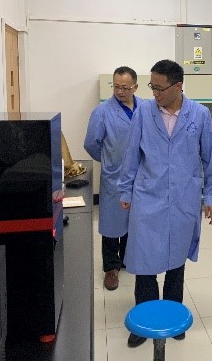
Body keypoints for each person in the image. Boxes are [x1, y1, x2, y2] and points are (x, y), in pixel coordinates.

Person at [118, 59, 212, 348]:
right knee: (144, 262)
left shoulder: (199, 114)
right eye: (151, 87)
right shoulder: (144, 113)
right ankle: (144, 322)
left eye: (159, 88)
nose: (154, 93)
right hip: (147, 196)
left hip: (183, 198)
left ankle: (174, 316)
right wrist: (125, 192)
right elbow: (131, 155)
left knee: (177, 260)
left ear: (178, 86)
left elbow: (209, 157)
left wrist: (211, 196)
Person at [84, 66, 143, 291]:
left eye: (125, 88)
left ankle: (127, 259)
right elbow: (91, 143)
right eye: (116, 86)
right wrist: (109, 161)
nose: (119, 91)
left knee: (134, 219)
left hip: (140, 176)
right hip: (114, 177)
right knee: (111, 223)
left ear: (135, 87)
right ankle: (111, 268)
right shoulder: (102, 112)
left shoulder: (146, 108)